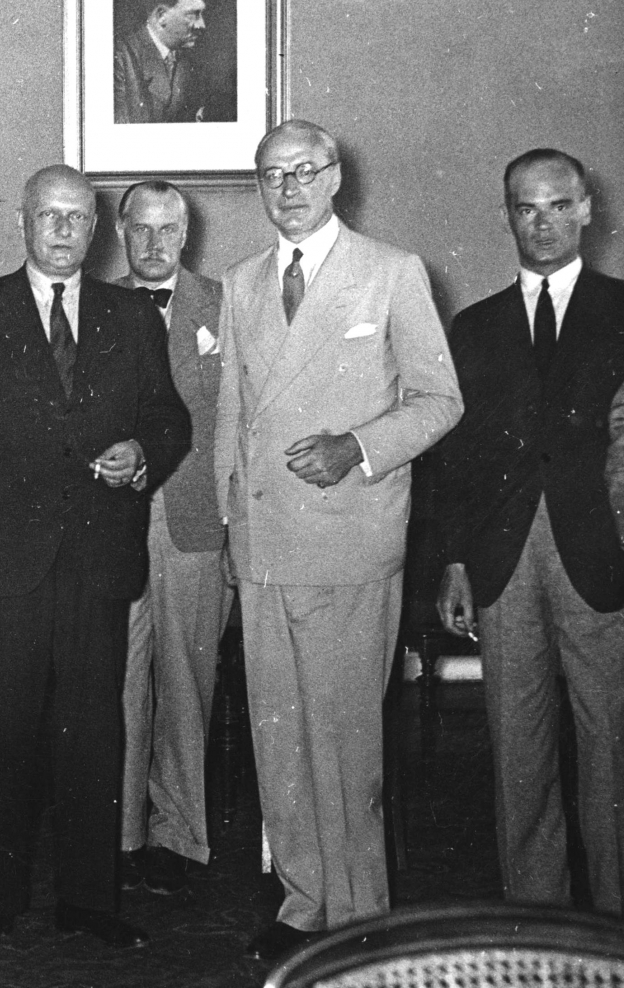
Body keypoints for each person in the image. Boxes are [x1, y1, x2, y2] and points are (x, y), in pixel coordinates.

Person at [0, 164, 191, 956]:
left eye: (78, 217)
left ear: (97, 228)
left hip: (97, 559)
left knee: (93, 734)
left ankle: (89, 902)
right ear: (23, 222)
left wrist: (141, 451)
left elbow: (169, 419)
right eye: (50, 215)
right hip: (4, 559)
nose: (65, 230)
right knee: (4, 732)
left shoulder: (131, 314)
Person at [214, 120, 462, 960]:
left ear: (334, 178)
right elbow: (233, 418)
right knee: (278, 736)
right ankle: (304, 902)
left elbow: (440, 401)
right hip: (263, 544)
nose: (287, 188)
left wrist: (356, 448)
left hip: (348, 537)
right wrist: (229, 528)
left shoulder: (391, 272)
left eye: (303, 171)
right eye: (271, 174)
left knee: (346, 741)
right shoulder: (242, 281)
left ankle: (359, 917)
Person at [438, 148, 624, 914]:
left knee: (612, 748)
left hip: (601, 557)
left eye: (557, 205)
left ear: (586, 209)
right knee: (518, 749)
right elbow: (456, 455)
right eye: (526, 208)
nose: (542, 223)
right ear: (507, 216)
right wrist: (453, 560)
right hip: (502, 558)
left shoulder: (621, 310)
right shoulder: (476, 326)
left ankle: (613, 929)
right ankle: (534, 918)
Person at [109, 180, 230, 895]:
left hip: (195, 522)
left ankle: (181, 837)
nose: (154, 245)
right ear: (120, 233)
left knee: (188, 683)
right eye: (141, 230)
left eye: (168, 231)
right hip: (114, 525)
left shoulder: (226, 305)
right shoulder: (93, 307)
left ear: (187, 235)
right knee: (116, 681)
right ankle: (120, 835)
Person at [114, 0, 208, 124]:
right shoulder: (120, 59)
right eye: (193, 15)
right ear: (161, 16)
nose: (201, 25)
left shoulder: (189, 63)